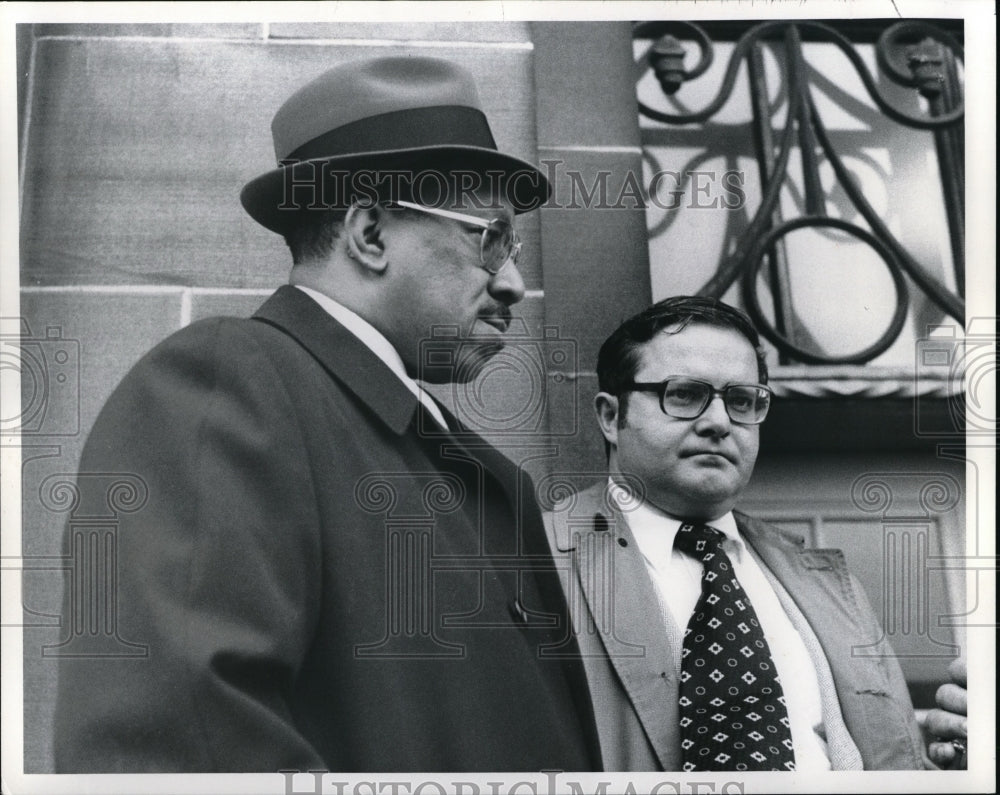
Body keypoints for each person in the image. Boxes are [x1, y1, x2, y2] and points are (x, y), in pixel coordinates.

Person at [52, 56, 601, 773]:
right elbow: (171, 748)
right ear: (369, 234)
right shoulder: (227, 383)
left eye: (515, 244)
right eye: (488, 237)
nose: (515, 283)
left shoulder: (462, 458)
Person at [542, 295, 961, 772]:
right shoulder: (536, 563)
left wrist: (959, 765)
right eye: (683, 394)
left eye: (742, 401)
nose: (719, 422)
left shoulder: (825, 583)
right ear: (611, 417)